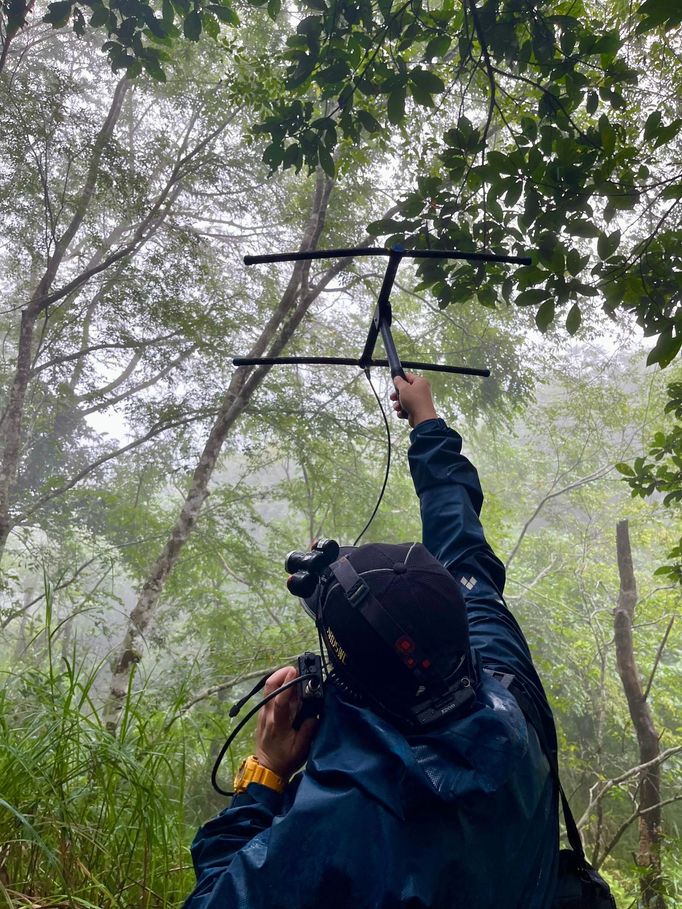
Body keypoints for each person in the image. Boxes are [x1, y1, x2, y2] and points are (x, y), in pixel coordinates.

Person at [184, 374, 560, 909]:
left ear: (349, 685)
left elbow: (215, 899)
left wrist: (265, 773)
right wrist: (426, 421)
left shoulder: (339, 824)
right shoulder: (509, 690)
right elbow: (462, 545)